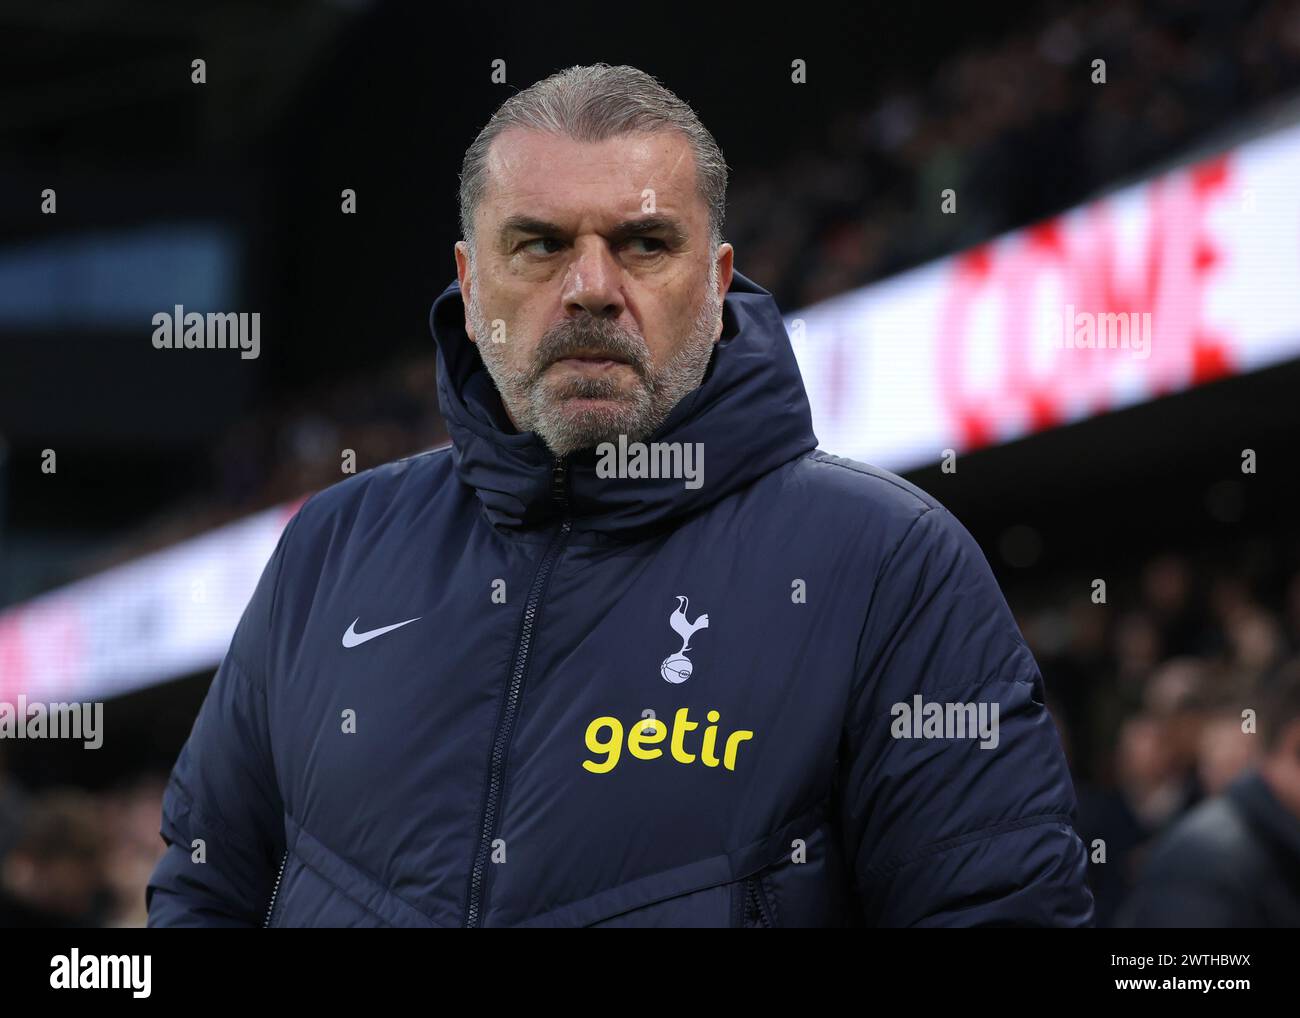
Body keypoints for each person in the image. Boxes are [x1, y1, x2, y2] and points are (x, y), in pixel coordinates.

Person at [147, 63, 1092, 927]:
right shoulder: (333, 547)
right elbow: (204, 886)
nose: (591, 288)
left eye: (643, 244)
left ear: (717, 283)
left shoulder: (890, 565)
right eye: (540, 246)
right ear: (471, 287)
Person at [1117, 658, 1300, 927]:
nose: (1225, 772)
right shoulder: (1202, 862)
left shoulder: (1272, 843)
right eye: (1218, 761)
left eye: (1239, 760)